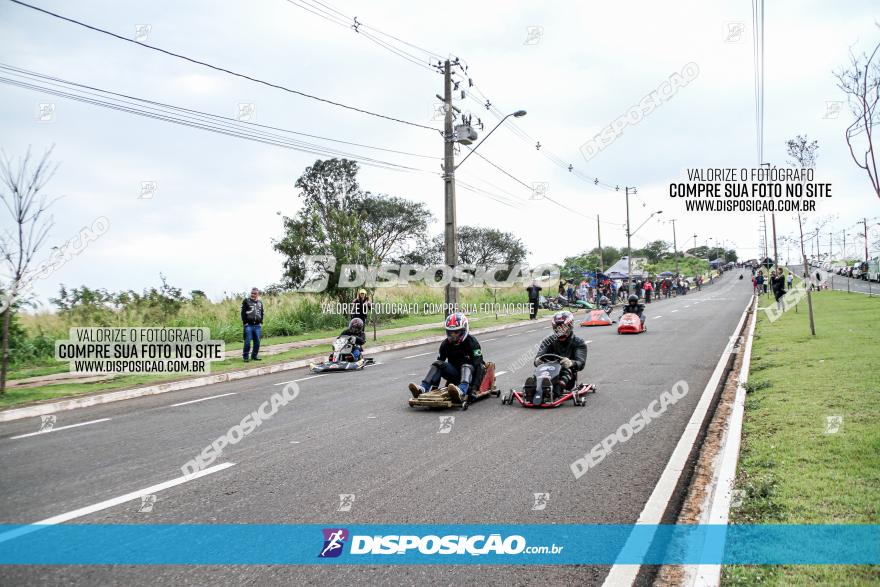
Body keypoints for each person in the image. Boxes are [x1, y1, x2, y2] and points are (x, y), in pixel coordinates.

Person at [408, 312, 485, 403]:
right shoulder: (445, 344)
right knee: (437, 363)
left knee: (466, 366)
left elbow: (480, 366)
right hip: (455, 375)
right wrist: (435, 388)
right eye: (450, 332)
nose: (453, 335)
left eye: (456, 332)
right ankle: (423, 388)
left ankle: (462, 390)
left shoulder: (472, 343)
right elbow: (439, 366)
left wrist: (474, 388)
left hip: (470, 378)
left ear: (464, 329)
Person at [525, 311, 587, 402]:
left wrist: (571, 363)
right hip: (549, 372)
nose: (560, 330)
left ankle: (554, 393)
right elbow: (538, 357)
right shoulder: (548, 341)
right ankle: (532, 390)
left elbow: (580, 362)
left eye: (563, 328)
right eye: (557, 328)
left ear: (569, 326)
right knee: (539, 370)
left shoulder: (579, 342)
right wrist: (537, 360)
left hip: (567, 377)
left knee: (566, 371)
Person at [241, 287, 264, 362]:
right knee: (247, 341)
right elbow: (243, 313)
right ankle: (245, 357)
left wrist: (261, 322)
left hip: (257, 326)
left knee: (257, 342)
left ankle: (254, 356)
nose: (253, 295)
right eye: (252, 293)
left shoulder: (260, 302)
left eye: (254, 293)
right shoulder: (246, 301)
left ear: (258, 294)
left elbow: (262, 313)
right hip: (249, 325)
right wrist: (245, 323)